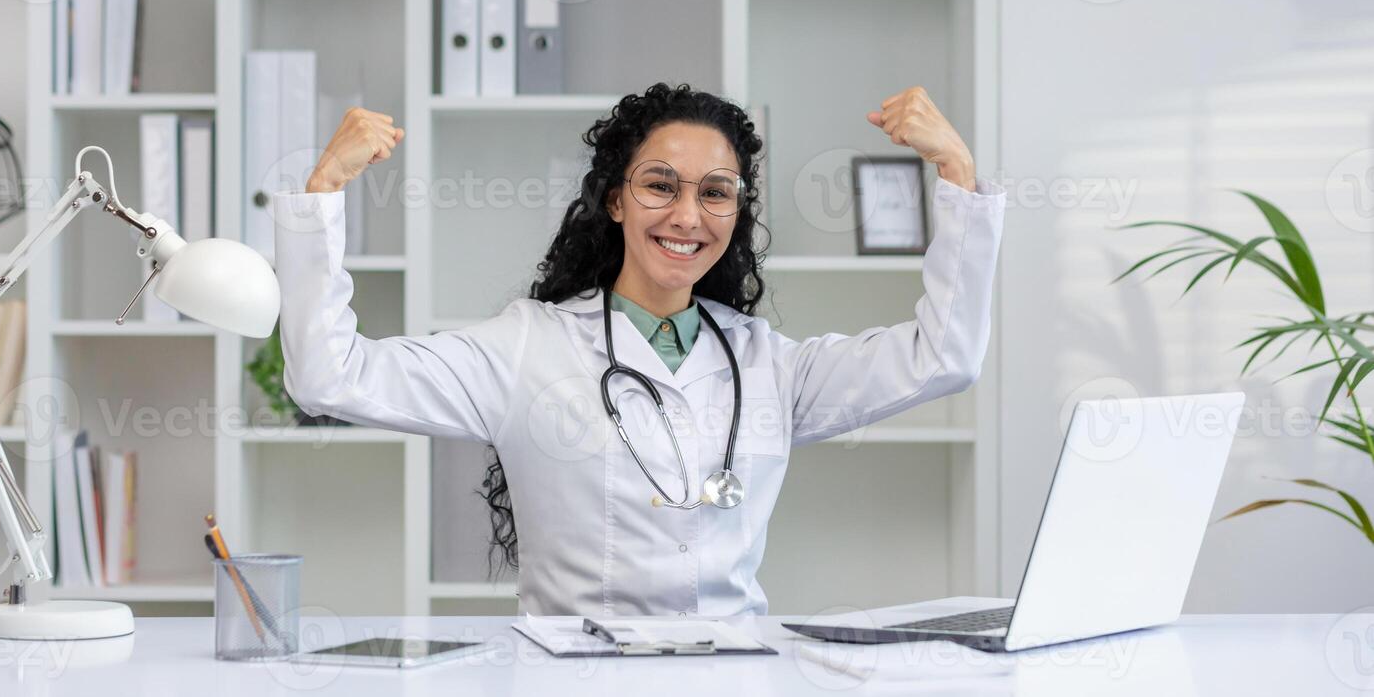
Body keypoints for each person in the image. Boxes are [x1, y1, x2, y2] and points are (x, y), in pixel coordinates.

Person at [270, 82, 1005, 617]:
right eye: (661, 185)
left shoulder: (769, 366)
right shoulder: (527, 347)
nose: (688, 215)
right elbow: (330, 377)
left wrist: (958, 179)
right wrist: (322, 195)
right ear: (615, 199)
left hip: (733, 685)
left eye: (716, 192)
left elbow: (945, 357)